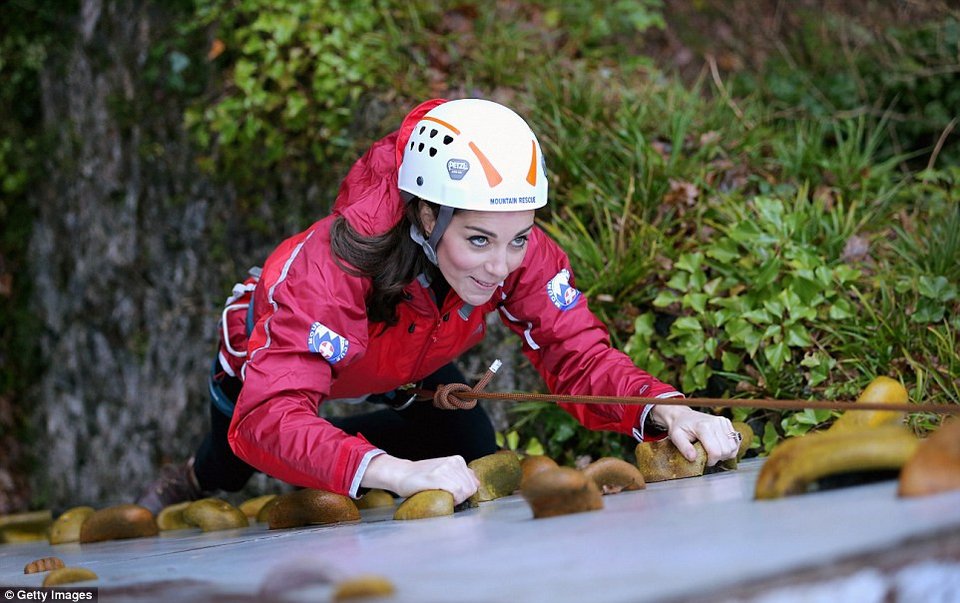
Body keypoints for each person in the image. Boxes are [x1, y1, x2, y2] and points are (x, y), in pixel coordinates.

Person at [137, 98, 740, 513]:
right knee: (232, 462)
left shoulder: (515, 252)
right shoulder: (327, 271)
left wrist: (666, 409)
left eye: (519, 237)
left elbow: (577, 354)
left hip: (411, 359)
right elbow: (264, 419)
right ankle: (198, 477)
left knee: (472, 450)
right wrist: (392, 472)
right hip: (273, 354)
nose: (502, 265)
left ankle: (331, 448)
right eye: (477, 239)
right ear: (426, 214)